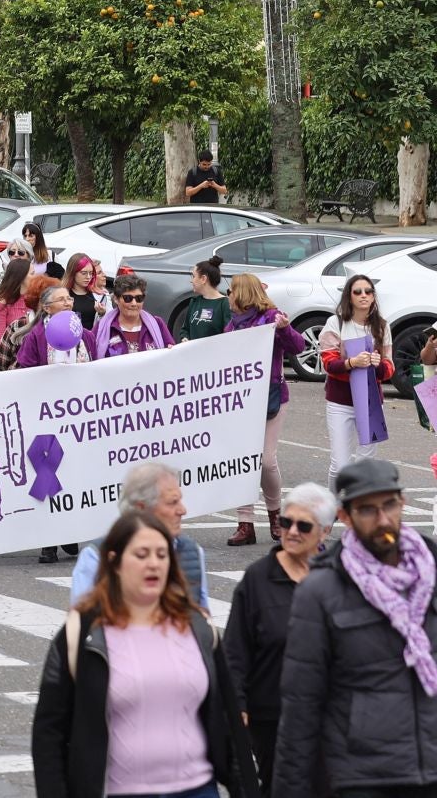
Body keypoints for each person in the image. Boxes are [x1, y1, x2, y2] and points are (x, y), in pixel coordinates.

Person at [31, 511, 258, 798]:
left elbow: (230, 724)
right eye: (141, 554)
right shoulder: (84, 631)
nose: (153, 564)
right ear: (114, 562)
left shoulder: (198, 625)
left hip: (197, 790)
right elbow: (49, 733)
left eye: (162, 555)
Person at [275, 458, 437, 797]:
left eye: (389, 505)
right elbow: (300, 706)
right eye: (367, 510)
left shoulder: (431, 574)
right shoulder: (320, 592)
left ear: (402, 503)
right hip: (365, 777)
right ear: (345, 517)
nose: (382, 520)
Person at [223, 482, 335, 794]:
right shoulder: (258, 578)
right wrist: (237, 708)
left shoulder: (338, 577)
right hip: (272, 721)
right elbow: (235, 652)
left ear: (325, 532)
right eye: (286, 522)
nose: (292, 531)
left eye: (304, 525)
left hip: (331, 717)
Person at [223, 271, 304, 548]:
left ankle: (275, 516)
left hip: (271, 397)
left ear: (243, 293)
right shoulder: (233, 325)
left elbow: (297, 346)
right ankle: (245, 523)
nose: (228, 296)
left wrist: (284, 328)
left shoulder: (271, 318)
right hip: (242, 401)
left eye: (231, 290)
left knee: (266, 461)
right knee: (243, 462)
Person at [69, 462, 211, 613]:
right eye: (172, 502)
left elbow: (202, 623)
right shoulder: (96, 558)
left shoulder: (193, 553)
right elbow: (80, 625)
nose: (182, 510)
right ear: (141, 509)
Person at [319, 272, 393, 489]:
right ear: (349, 296)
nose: (363, 295)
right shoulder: (336, 323)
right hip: (340, 401)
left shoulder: (381, 326)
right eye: (357, 292)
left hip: (371, 401)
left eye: (368, 291)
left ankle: (357, 511)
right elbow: (328, 364)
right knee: (339, 465)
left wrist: (378, 364)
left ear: (373, 296)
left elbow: (389, 368)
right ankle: (332, 507)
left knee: (365, 463)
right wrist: (351, 363)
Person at [92, 274, 174, 358]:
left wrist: (172, 350)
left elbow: (171, 355)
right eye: (128, 298)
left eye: (139, 298)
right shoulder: (102, 327)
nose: (134, 303)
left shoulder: (158, 324)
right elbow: (90, 357)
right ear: (116, 299)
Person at [184, 258, 231, 341]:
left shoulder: (224, 304)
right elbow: (185, 329)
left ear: (203, 279)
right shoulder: (194, 302)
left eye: (194, 276)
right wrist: (184, 338)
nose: (191, 281)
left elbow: (229, 334)